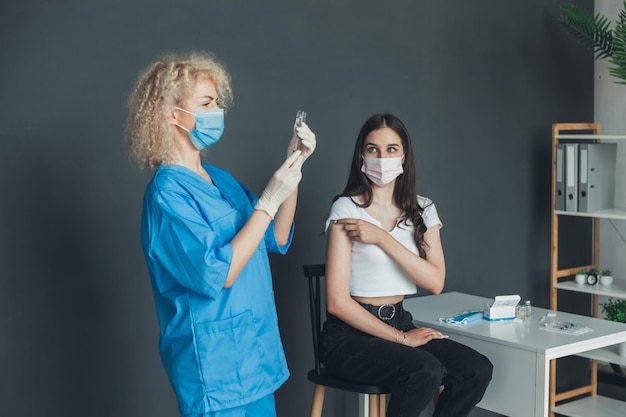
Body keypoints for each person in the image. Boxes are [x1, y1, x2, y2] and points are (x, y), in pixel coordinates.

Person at [126, 51, 316, 417]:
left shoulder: (220, 180)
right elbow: (219, 272)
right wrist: (268, 200)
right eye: (206, 102)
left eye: (217, 101)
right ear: (171, 114)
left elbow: (275, 235)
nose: (217, 110)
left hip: (255, 352)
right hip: (215, 368)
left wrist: (293, 170)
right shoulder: (167, 195)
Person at [320, 113, 492, 417]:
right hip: (348, 336)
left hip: (399, 321)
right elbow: (336, 302)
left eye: (391, 149)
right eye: (372, 149)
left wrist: (383, 239)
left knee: (476, 369)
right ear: (361, 154)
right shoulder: (346, 208)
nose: (381, 157)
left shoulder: (423, 210)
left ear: (404, 155)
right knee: (424, 370)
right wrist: (401, 339)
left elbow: (435, 282)